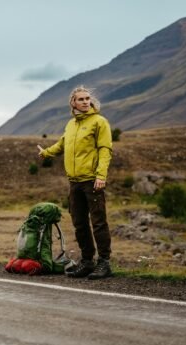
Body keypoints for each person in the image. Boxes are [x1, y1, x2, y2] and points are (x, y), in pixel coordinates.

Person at [38, 85, 113, 279]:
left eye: (88, 98)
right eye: (81, 99)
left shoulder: (99, 122)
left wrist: (101, 176)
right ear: (73, 103)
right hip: (74, 182)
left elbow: (105, 150)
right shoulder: (71, 124)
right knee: (79, 223)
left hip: (92, 180)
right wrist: (45, 153)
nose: (86, 102)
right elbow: (62, 144)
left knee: (98, 223)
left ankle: (104, 263)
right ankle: (87, 262)